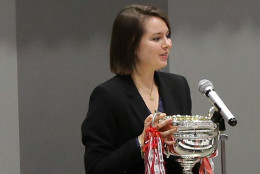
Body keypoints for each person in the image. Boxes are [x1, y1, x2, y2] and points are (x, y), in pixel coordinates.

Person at [81, 4, 199, 174]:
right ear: (132, 44)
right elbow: (96, 168)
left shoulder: (178, 86)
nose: (167, 44)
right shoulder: (107, 96)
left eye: (168, 36)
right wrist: (141, 141)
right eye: (157, 38)